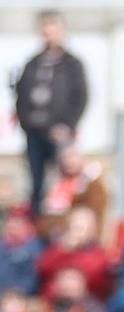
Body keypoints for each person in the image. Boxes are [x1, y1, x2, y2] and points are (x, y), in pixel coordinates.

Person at [13, 11, 87, 215]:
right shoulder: (33, 63)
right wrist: (26, 123)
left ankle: (61, 227)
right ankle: (38, 225)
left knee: (60, 182)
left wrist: (67, 125)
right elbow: (21, 95)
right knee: (36, 181)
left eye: (53, 30)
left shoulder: (72, 64)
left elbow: (80, 97)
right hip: (34, 132)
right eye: (45, 31)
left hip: (59, 133)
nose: (49, 35)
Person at [36, 205, 112, 300]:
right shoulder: (59, 247)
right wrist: (63, 249)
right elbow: (43, 268)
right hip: (52, 301)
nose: (78, 232)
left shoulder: (98, 254)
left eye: (83, 227)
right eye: (75, 226)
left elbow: (95, 279)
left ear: (92, 230)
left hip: (81, 304)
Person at [38, 144, 108, 239]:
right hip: (55, 235)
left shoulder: (91, 184)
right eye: (66, 158)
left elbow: (96, 211)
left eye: (73, 157)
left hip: (82, 236)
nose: (69, 162)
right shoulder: (56, 184)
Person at [0, 215, 41, 296]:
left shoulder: (34, 249)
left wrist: (17, 292)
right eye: (9, 229)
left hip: (22, 295)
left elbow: (32, 277)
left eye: (16, 229)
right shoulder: (2, 247)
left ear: (27, 230)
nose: (12, 232)